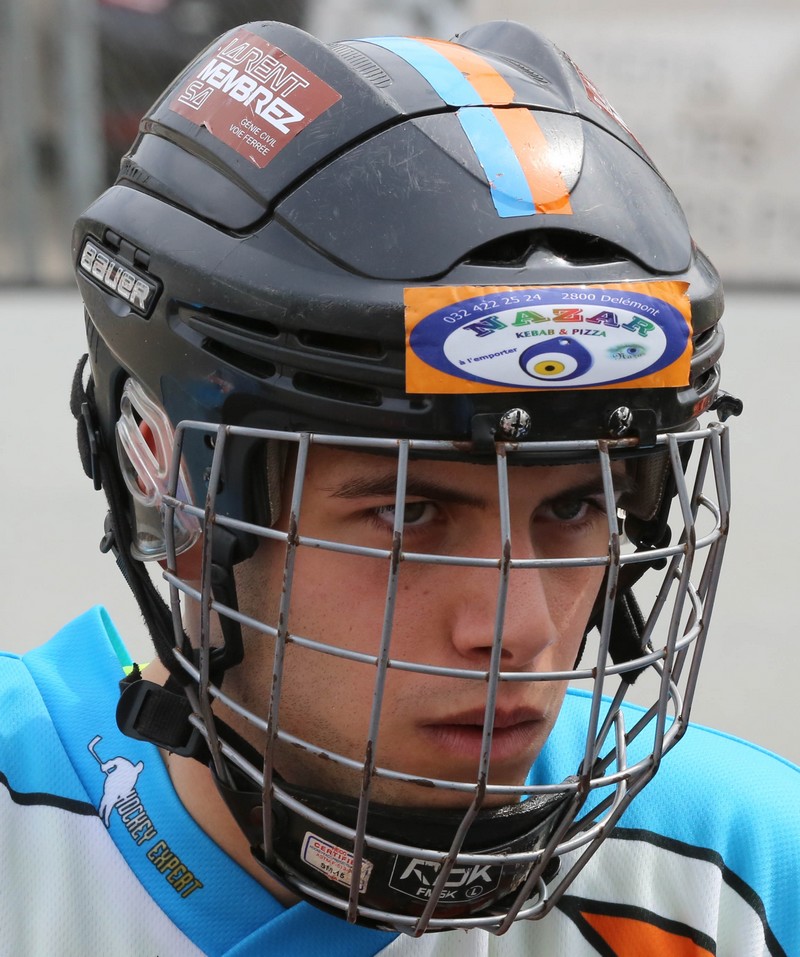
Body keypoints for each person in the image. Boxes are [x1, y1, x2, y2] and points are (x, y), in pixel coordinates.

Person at [1, 17, 797, 956]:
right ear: (178, 501)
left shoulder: (741, 877)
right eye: (409, 511)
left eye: (574, 505)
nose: (519, 631)